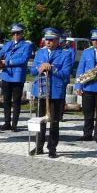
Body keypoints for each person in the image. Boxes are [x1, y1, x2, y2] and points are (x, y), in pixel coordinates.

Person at [29, 28, 73, 158]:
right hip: (41, 91)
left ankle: (52, 148)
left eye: (51, 40)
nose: (48, 42)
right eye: (47, 40)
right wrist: (39, 68)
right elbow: (31, 72)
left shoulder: (65, 54)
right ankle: (39, 146)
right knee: (40, 121)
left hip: (55, 92)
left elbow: (66, 75)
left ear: (57, 40)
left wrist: (52, 69)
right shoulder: (39, 53)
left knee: (54, 121)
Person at [0, 23, 32, 131]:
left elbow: (23, 59)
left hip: (17, 76)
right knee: (6, 100)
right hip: (6, 75)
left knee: (16, 101)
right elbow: (0, 53)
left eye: (18, 33)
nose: (15, 35)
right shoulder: (8, 44)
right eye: (13, 33)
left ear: (22, 34)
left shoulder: (27, 45)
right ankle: (7, 122)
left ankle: (14, 124)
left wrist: (6, 62)